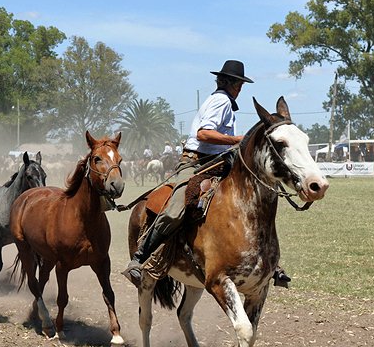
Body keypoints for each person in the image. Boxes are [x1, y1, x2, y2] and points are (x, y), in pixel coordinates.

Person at [123, 60, 290, 287]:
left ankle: (267, 262)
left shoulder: (227, 103)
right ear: (227, 83)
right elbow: (203, 134)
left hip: (220, 162)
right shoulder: (220, 101)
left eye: (240, 84)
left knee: (256, 200)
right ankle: (140, 257)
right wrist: (237, 140)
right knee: (175, 207)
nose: (239, 88)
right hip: (197, 161)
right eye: (237, 84)